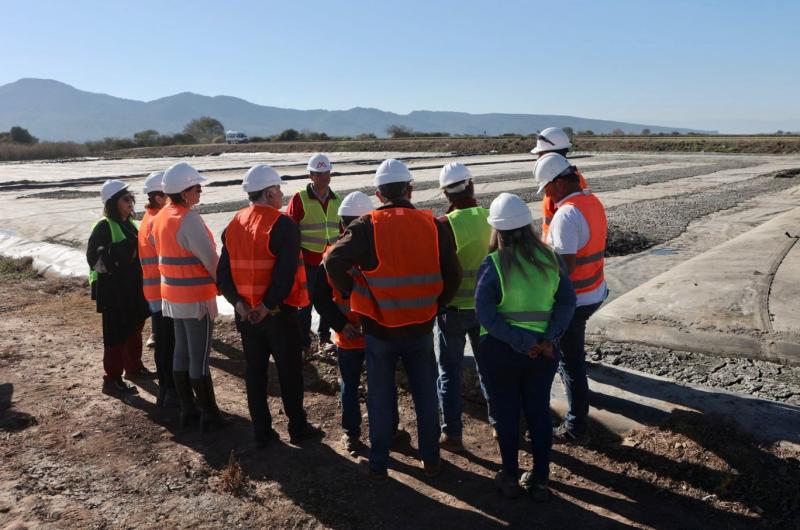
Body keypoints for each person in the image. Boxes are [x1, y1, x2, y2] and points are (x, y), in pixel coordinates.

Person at [325, 159, 462, 481]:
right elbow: (453, 274)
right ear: (410, 190)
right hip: (420, 326)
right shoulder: (433, 224)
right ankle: (431, 460)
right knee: (425, 394)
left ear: (379, 193)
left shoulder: (367, 225)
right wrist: (437, 305)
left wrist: (350, 293)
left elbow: (332, 261)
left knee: (381, 396)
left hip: (379, 329)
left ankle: (379, 461)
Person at [475, 192, 576, 500]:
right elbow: (567, 301)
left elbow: (486, 314)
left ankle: (509, 475)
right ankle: (541, 480)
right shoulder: (551, 259)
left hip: (502, 351)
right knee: (538, 412)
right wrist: (548, 339)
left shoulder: (493, 264)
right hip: (542, 354)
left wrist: (523, 342)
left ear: (497, 229)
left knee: (506, 413)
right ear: (527, 225)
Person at [217, 164, 323, 446]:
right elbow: (284, 274)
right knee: (289, 373)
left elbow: (223, 274)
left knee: (255, 373)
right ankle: (297, 428)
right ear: (268, 192)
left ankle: (261, 431)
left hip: (247, 317)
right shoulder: (282, 224)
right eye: (278, 189)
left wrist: (239, 305)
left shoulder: (234, 223)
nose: (281, 194)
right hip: (277, 315)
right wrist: (265, 305)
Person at [312, 191, 401, 456]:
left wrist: (340, 325)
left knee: (349, 385)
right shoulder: (380, 255)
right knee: (383, 383)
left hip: (349, 337)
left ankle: (352, 435)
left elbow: (320, 299)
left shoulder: (329, 257)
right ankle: (390, 430)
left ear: (341, 225)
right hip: (378, 333)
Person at [534, 153, 608, 444]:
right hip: (595, 291)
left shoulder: (566, 214)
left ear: (559, 182)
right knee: (571, 358)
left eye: (548, 188)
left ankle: (576, 426)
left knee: (569, 362)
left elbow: (564, 269)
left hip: (574, 300)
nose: (547, 195)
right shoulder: (591, 201)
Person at [151, 162, 225, 432]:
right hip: (195, 299)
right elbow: (210, 260)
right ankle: (209, 413)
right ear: (183, 192)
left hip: (171, 297)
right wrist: (226, 287)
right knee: (199, 358)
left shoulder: (161, 217)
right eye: (197, 187)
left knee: (181, 353)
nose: (200, 191)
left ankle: (187, 409)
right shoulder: (189, 219)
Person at [434, 163, 496, 451]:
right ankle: (500, 424)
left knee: (449, 372)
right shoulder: (491, 218)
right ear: (471, 186)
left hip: (453, 310)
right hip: (485, 310)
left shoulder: (444, 225)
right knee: (489, 369)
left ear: (446, 193)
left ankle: (452, 434)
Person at [87, 179, 151, 395]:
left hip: (132, 289)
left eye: (131, 198)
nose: (130, 202)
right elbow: (94, 258)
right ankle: (112, 379)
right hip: (114, 292)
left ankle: (133, 367)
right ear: (113, 202)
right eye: (125, 199)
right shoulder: (104, 226)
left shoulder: (129, 224)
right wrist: (123, 252)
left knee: (134, 328)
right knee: (115, 334)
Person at [286, 153, 341, 353]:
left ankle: (324, 338)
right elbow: (290, 230)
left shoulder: (336, 199)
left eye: (326, 173)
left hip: (329, 261)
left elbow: (342, 230)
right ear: (311, 175)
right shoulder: (299, 199)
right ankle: (303, 343)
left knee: (327, 301)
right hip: (307, 260)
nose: (323, 177)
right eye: (319, 173)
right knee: (305, 304)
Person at [138, 170, 177, 407]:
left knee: (164, 343)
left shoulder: (148, 218)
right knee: (168, 344)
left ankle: (167, 389)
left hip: (154, 292)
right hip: (164, 293)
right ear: (160, 197)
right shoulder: (157, 221)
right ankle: (170, 391)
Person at [530, 127, 587, 242]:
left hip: (559, 250)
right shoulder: (575, 177)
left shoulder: (557, 185)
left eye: (540, 153)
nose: (539, 158)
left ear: (550, 153)